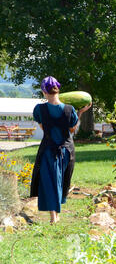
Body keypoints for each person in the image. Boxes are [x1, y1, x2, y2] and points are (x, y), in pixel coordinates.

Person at [30, 76, 92, 224]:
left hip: (48, 150)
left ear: (44, 92)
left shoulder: (39, 109)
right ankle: (55, 216)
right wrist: (81, 112)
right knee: (59, 181)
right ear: (58, 90)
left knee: (50, 181)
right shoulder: (70, 109)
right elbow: (72, 129)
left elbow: (44, 129)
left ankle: (54, 217)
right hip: (66, 151)